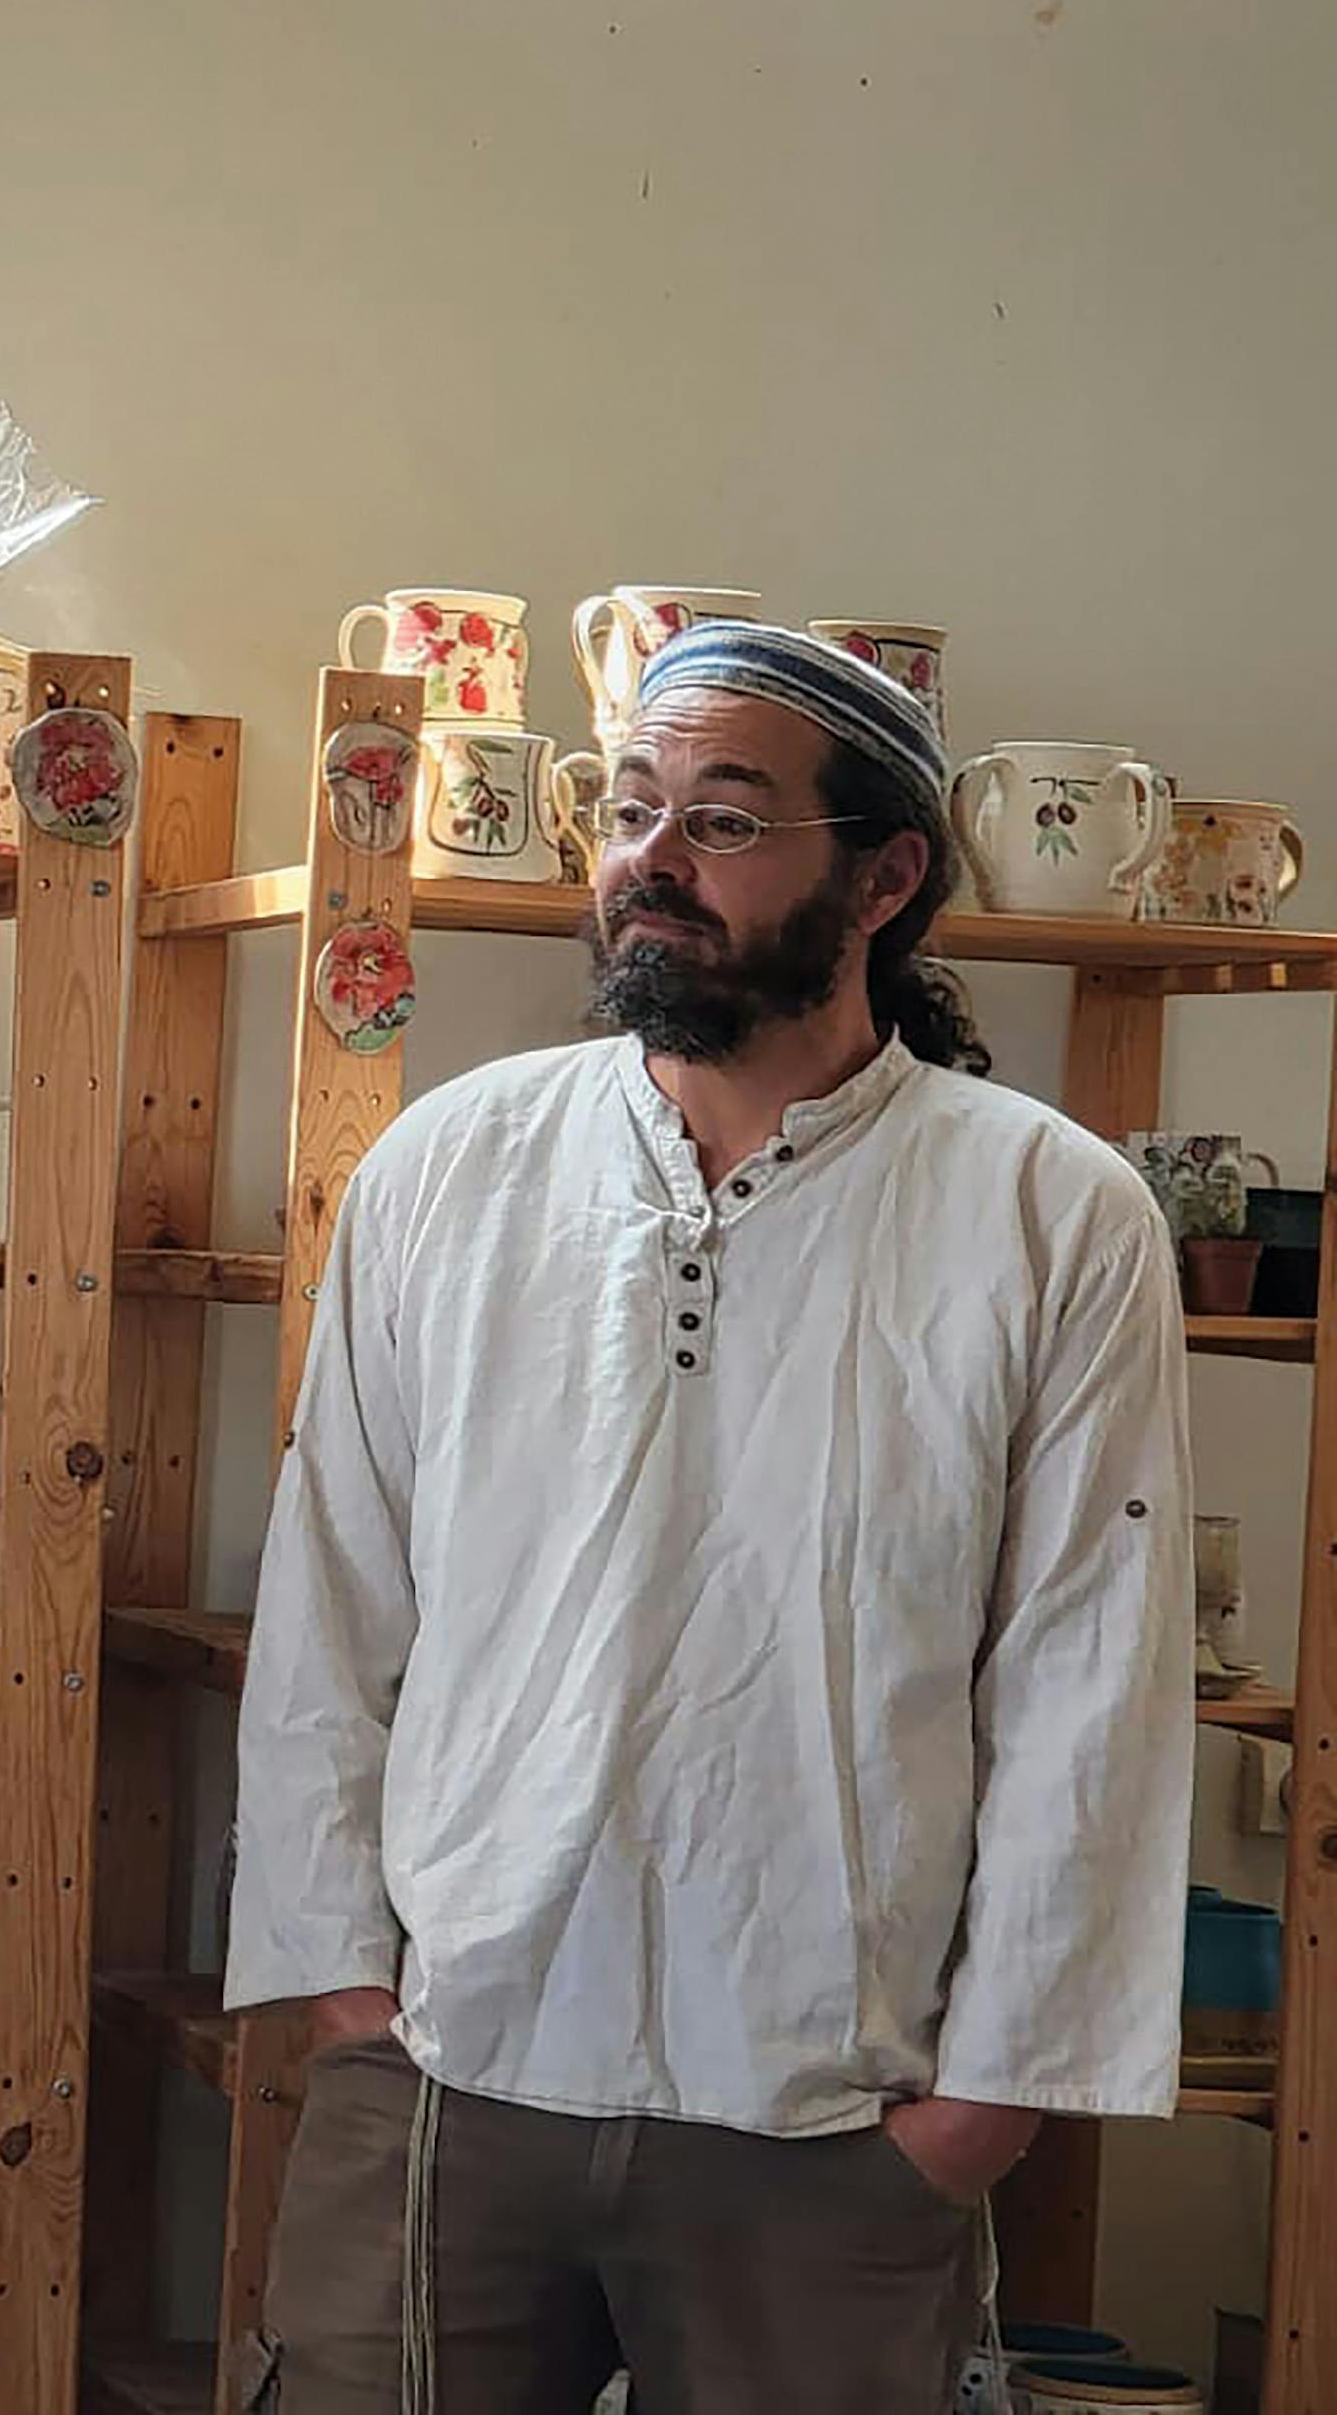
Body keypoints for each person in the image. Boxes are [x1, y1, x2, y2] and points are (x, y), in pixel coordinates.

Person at [227, 623, 1192, 2412]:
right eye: (630, 809)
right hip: (449, 2081)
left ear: (885, 878)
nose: (651, 861)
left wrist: (978, 2111)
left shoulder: (1049, 1212)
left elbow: (1093, 1682)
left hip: (832, 2115)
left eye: (726, 821)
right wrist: (347, 1999)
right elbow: (332, 1606)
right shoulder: (450, 1167)